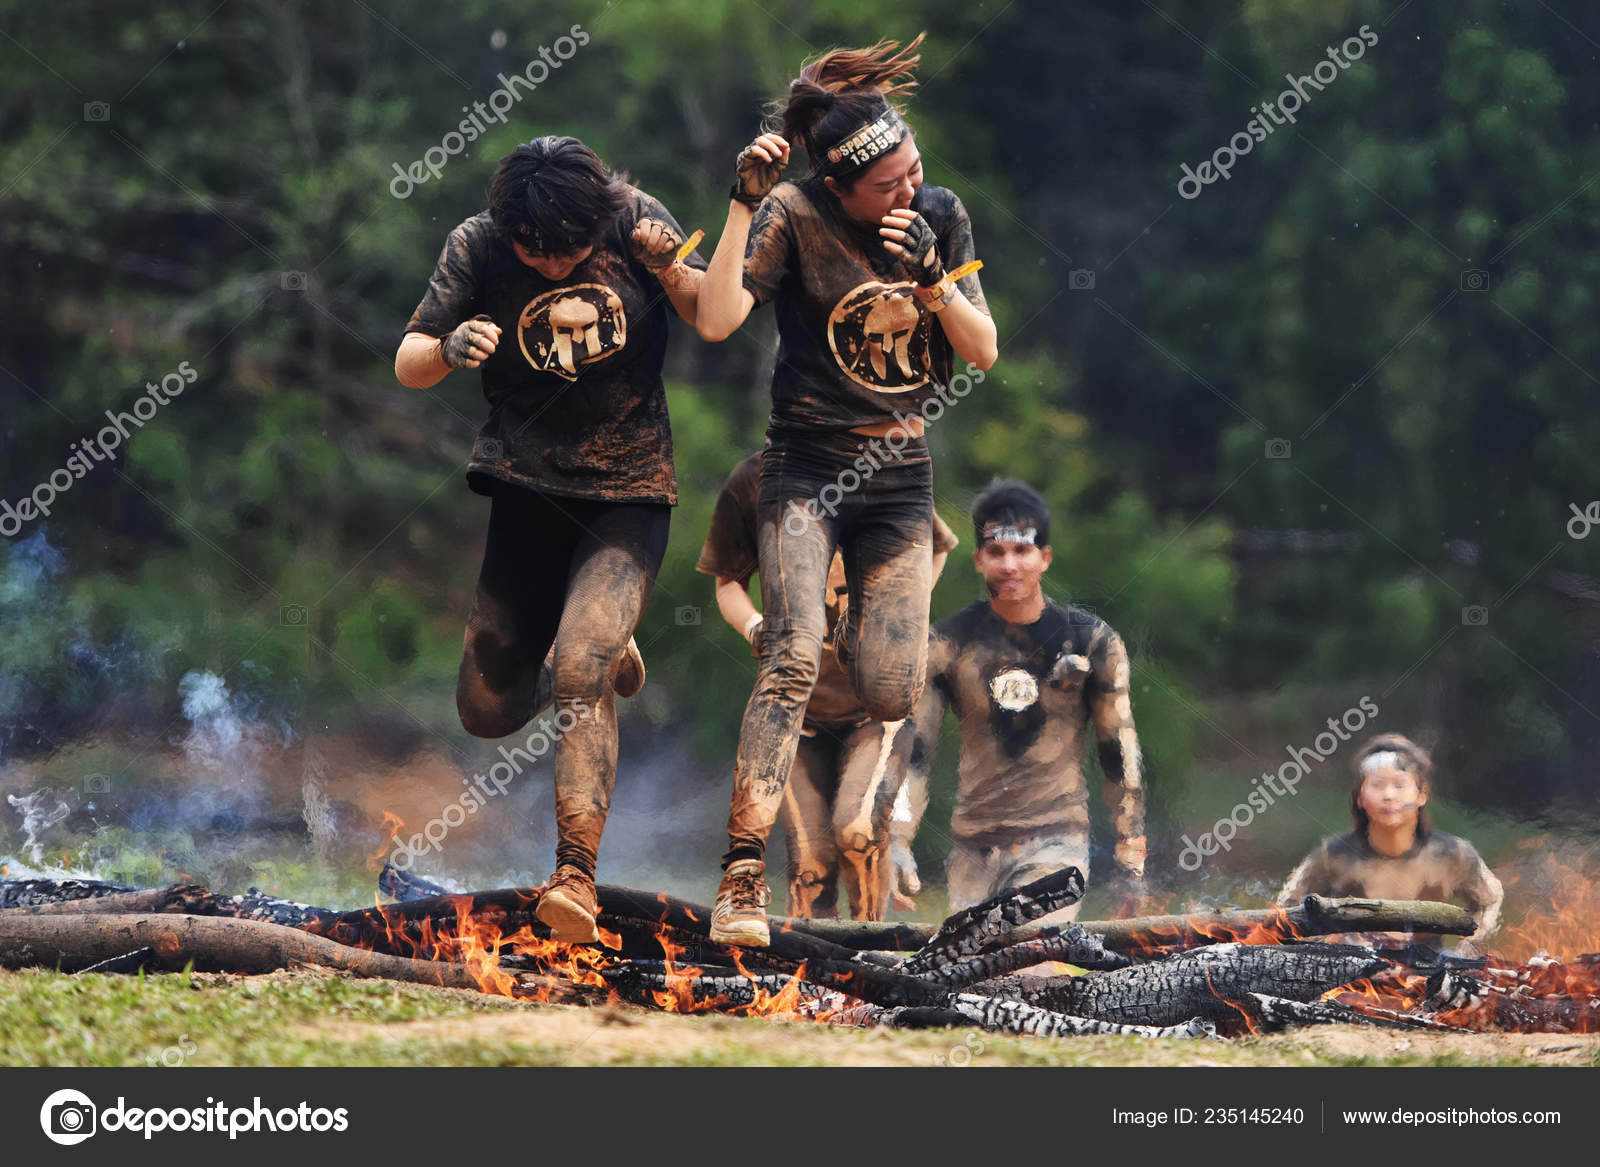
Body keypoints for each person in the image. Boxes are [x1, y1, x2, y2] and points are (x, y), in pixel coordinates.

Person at [695, 34, 998, 945]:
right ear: (838, 186)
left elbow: (983, 351)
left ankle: (857, 665)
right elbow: (716, 319)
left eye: (914, 170)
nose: (908, 191)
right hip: (806, 468)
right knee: (792, 654)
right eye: (888, 185)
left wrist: (934, 281)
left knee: (894, 690)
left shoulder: (939, 214)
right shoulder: (793, 212)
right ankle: (741, 877)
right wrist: (742, 205)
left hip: (899, 476)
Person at [394, 135, 705, 943]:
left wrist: (672, 269)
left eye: (570, 250)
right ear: (511, 231)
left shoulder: (635, 221)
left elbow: (714, 316)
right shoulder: (478, 244)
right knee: (485, 709)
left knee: (578, 669)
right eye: (537, 253)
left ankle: (574, 875)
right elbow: (408, 359)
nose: (555, 264)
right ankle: (599, 650)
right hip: (525, 489)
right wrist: (449, 350)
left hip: (629, 489)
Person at [698, 449, 959, 919]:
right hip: (794, 713)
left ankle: (871, 954)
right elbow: (728, 581)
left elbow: (935, 546)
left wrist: (902, 609)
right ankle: (809, 965)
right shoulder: (754, 480)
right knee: (811, 866)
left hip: (875, 712)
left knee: (858, 834)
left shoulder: (878, 463)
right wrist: (756, 627)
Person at [907, 481, 1147, 922]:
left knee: (1029, 953)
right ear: (978, 559)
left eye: (1022, 550)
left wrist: (1130, 843)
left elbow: (1117, 746)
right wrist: (896, 840)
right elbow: (913, 751)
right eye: (996, 552)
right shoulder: (948, 643)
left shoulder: (1091, 640)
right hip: (973, 848)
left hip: (1056, 840)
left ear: (1045, 557)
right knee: (972, 963)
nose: (1009, 565)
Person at [1277, 733, 1504, 952]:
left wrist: (1469, 948)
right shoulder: (1332, 855)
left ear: (1422, 794)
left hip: (1429, 970)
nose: (1388, 795)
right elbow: (1286, 910)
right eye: (1377, 785)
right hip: (1351, 970)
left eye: (1399, 785)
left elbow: (1489, 900)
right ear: (1360, 797)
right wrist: (1325, 946)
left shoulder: (1454, 854)